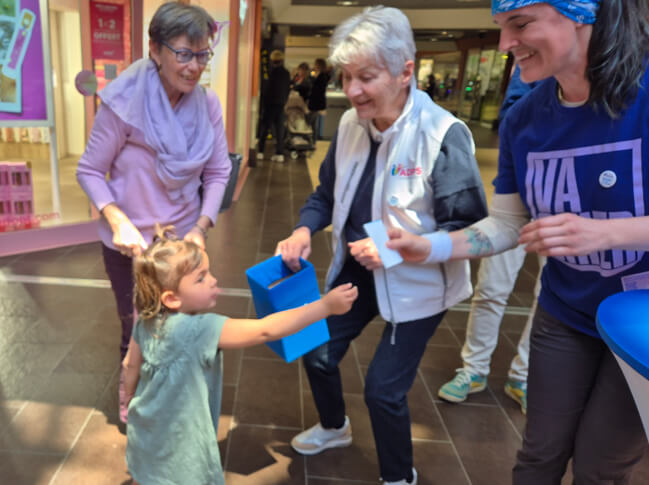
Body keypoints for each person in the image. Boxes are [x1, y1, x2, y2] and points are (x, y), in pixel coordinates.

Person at [386, 1, 649, 482]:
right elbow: (508, 223)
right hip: (566, 313)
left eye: (521, 24)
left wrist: (607, 232)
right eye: (502, 28)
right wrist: (432, 247)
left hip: (641, 325)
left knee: (601, 468)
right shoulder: (524, 119)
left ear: (582, 14)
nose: (506, 44)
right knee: (538, 455)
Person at [274, 7, 488, 484]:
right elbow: (326, 194)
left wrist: (397, 250)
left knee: (382, 391)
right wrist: (305, 229)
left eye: (366, 77)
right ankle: (335, 427)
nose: (352, 91)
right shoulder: (352, 126)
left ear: (405, 72)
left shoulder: (442, 135)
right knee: (316, 350)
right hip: (358, 269)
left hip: (419, 283)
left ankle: (398, 476)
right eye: (346, 77)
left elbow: (472, 232)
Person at [76, 1, 232, 423]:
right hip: (129, 244)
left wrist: (201, 226)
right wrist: (117, 219)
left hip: (180, 243)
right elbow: (89, 170)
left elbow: (218, 171)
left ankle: (175, 402)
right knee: (138, 328)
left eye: (202, 55)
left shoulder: (207, 104)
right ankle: (135, 405)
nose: (194, 67)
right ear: (155, 50)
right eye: (183, 54)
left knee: (180, 326)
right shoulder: (124, 103)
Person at [123, 228, 358, 485]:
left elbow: (130, 365)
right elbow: (265, 329)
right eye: (201, 278)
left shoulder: (144, 321)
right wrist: (325, 306)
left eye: (209, 272)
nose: (213, 280)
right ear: (171, 298)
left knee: (147, 473)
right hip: (182, 447)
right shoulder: (201, 330)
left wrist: (127, 398)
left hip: (145, 427)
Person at [438, 66, 542, 414]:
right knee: (491, 287)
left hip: (568, 206)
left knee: (548, 297)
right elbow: (512, 114)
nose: (511, 43)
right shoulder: (530, 67)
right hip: (518, 192)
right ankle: (474, 369)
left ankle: (523, 376)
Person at [256, 50, 290, 162]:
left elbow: (267, 90)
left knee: (265, 128)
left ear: (272, 60)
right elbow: (287, 89)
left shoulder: (271, 73)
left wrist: (263, 105)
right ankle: (279, 153)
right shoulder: (286, 73)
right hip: (281, 104)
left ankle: (260, 152)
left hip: (270, 104)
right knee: (279, 130)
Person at [308, 58, 330, 142]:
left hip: (316, 102)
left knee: (312, 122)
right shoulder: (323, 75)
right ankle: (313, 140)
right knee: (313, 122)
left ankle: (312, 140)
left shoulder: (322, 76)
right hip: (317, 102)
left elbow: (317, 89)